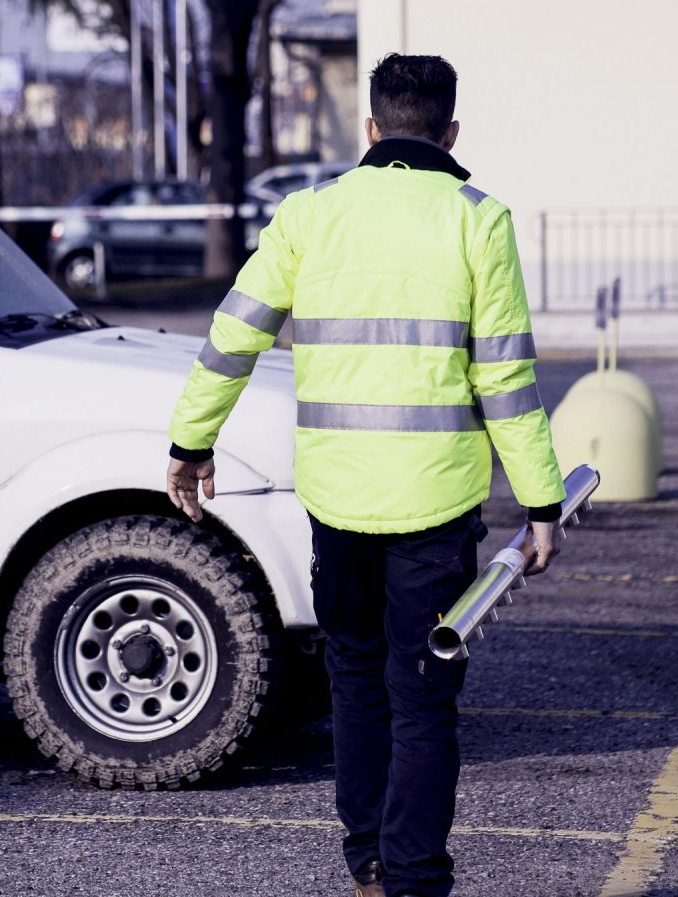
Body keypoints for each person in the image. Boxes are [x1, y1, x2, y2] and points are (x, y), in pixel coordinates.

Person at [164, 54, 565, 897]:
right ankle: (415, 878)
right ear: (450, 133)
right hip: (435, 508)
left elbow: (234, 334)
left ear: (372, 129)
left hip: (338, 503)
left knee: (354, 682)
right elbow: (505, 378)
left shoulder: (310, 212)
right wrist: (541, 501)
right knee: (423, 699)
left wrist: (191, 440)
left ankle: (369, 863)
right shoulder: (477, 220)